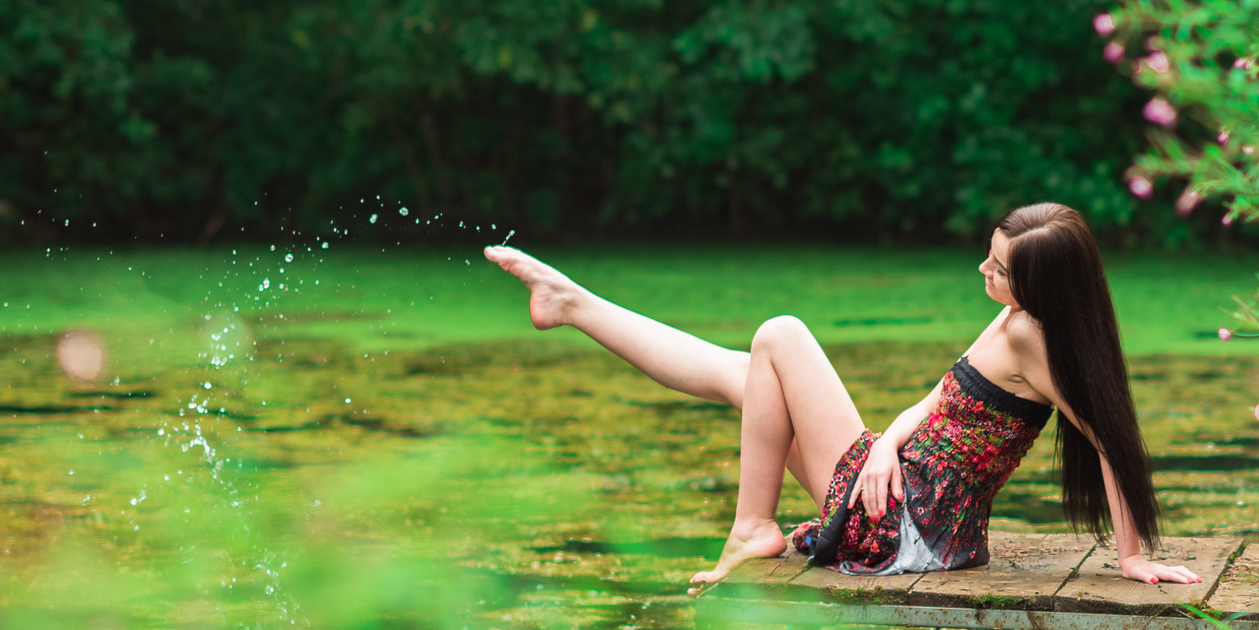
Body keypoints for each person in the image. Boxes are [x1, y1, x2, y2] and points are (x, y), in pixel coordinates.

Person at [483, 202, 1200, 591]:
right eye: (989, 253)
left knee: (781, 335)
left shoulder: (1033, 340)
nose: (982, 267)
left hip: (902, 530)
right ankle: (572, 302)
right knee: (747, 376)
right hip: (908, 502)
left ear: (1040, 286)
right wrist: (887, 440)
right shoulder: (1016, 318)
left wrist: (1132, 556)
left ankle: (751, 527)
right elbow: (939, 398)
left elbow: (1111, 441)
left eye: (998, 265)